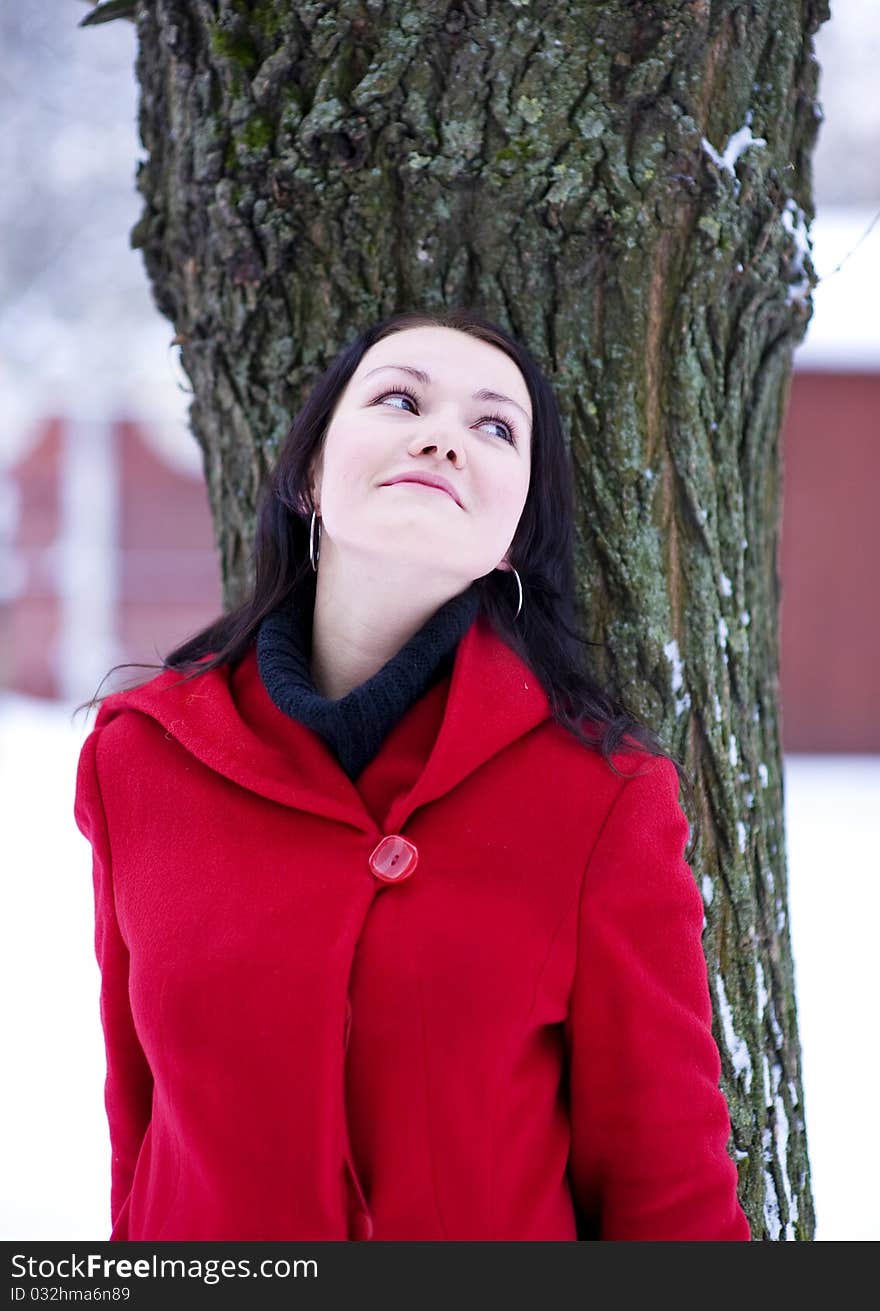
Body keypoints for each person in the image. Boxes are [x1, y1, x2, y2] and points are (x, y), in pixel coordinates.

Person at [73, 307, 751, 1242]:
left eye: (495, 425)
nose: (442, 436)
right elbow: (139, 1127)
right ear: (311, 475)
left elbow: (664, 1182)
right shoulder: (139, 757)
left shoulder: (605, 797)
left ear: (515, 532)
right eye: (400, 399)